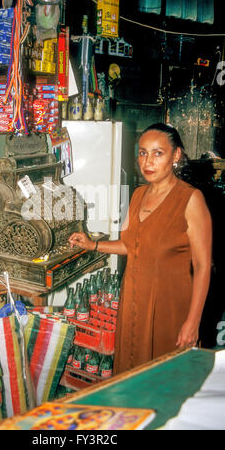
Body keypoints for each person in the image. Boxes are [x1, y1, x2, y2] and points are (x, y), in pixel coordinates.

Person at [69, 123, 212, 375]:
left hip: (169, 307)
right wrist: (93, 244)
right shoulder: (137, 195)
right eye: (143, 153)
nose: (148, 161)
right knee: (132, 372)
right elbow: (130, 245)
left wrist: (193, 321)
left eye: (158, 153)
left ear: (176, 155)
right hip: (134, 302)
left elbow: (202, 266)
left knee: (166, 378)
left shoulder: (190, 199)